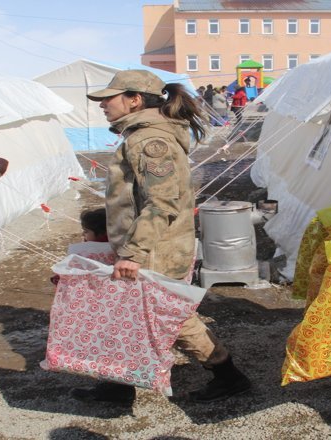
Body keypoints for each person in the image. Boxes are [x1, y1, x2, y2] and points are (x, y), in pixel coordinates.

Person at [72, 69, 251, 404]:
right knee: (130, 314)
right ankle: (117, 386)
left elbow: (162, 200)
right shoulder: (142, 136)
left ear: (134, 99)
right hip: (153, 246)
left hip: (156, 250)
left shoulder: (150, 142)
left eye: (109, 98)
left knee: (174, 319)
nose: (102, 105)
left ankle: (229, 376)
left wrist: (133, 252)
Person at [50, 207, 109, 285]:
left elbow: (73, 270)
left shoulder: (86, 251)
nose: (83, 234)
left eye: (86, 231)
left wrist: (58, 278)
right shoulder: (122, 247)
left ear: (102, 232)